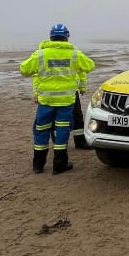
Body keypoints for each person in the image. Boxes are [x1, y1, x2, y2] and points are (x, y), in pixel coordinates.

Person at [20, 23, 95, 174]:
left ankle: (38, 165)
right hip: (66, 102)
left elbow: (24, 69)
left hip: (46, 101)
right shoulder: (74, 53)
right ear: (66, 37)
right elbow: (90, 66)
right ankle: (59, 164)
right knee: (62, 131)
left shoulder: (41, 54)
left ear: (51, 37)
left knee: (41, 130)